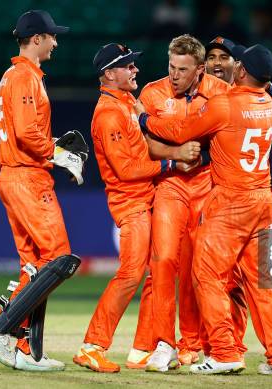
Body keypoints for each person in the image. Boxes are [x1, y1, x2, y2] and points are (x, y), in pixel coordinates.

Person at [138, 44, 272, 376]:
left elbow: (180, 132)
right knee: (260, 281)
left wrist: (142, 118)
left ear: (241, 71)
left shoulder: (224, 104)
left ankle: (224, 353)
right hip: (263, 199)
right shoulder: (267, 102)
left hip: (231, 202)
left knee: (206, 275)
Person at [72, 43, 199, 373]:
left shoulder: (128, 102)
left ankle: (142, 348)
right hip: (130, 203)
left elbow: (145, 146)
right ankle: (92, 346)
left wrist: (175, 152)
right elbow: (126, 169)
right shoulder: (108, 114)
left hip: (146, 197)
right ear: (109, 74)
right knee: (130, 274)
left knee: (157, 274)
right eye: (127, 66)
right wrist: (172, 161)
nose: (135, 70)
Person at [0, 9, 81, 372]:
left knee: (36, 265)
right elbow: (26, 133)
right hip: (26, 177)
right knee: (59, 259)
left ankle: (25, 348)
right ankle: (3, 329)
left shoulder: (14, 76)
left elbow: (26, 133)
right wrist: (60, 153)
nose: (56, 41)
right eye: (52, 36)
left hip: (15, 174)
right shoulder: (25, 77)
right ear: (36, 39)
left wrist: (54, 149)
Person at [137, 34, 233, 371]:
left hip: (208, 185)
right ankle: (164, 344)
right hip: (171, 186)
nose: (174, 75)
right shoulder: (152, 93)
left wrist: (203, 152)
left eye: (182, 69)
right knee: (163, 261)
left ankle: (191, 344)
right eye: (171, 67)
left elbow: (244, 124)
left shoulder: (222, 92)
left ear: (200, 69)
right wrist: (175, 153)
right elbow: (143, 145)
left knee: (198, 269)